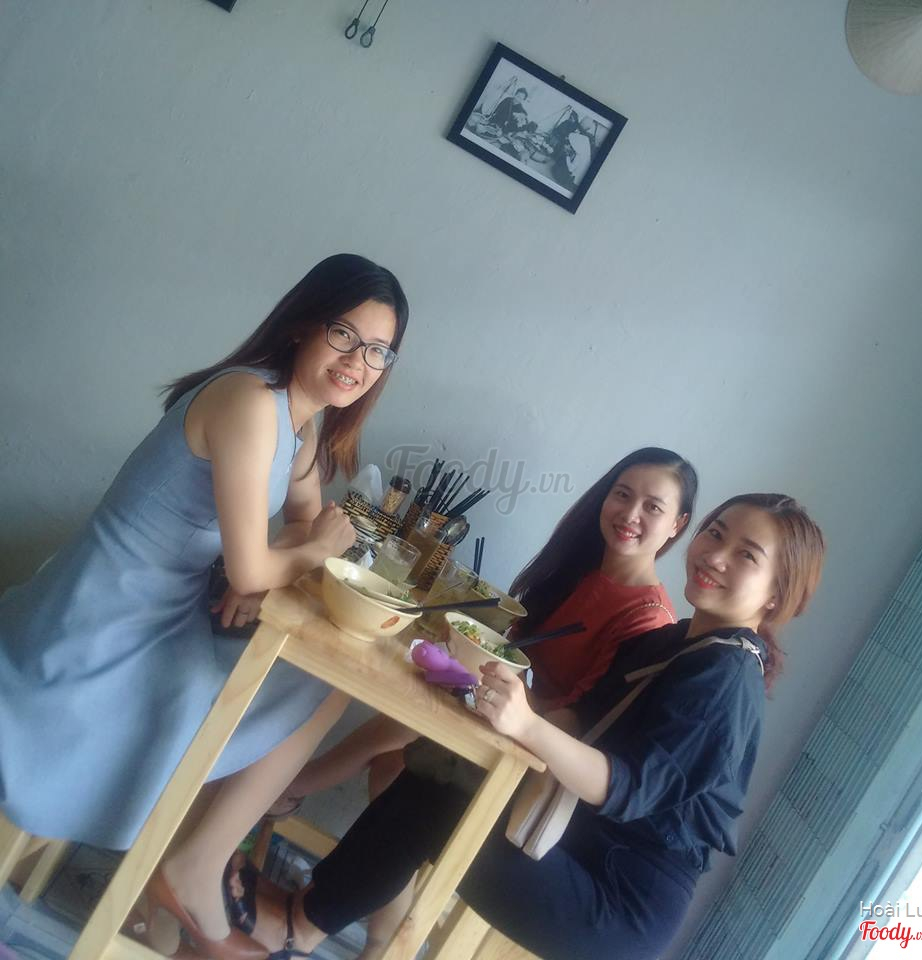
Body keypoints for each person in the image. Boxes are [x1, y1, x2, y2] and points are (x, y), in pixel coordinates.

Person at [0, 253, 409, 959]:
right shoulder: (249, 401)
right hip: (103, 617)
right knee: (302, 685)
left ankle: (197, 864)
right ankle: (190, 869)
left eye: (378, 350)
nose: (358, 361)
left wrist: (279, 567)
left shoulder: (302, 425)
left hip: (167, 610)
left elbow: (298, 527)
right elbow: (276, 554)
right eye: (344, 334)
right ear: (304, 324)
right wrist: (290, 561)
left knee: (319, 683)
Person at [233, 493, 825, 960]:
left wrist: (524, 724)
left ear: (777, 596)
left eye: (747, 555)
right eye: (717, 534)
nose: (716, 556)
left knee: (439, 804)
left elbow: (622, 786)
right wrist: (487, 691)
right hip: (574, 839)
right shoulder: (678, 641)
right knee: (436, 772)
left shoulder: (726, 678)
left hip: (613, 903)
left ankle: (298, 926)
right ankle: (306, 913)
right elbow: (579, 717)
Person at [258, 448, 697, 956]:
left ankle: (288, 802)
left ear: (677, 526)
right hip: (503, 715)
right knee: (394, 760)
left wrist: (495, 685)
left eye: (652, 506)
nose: (630, 513)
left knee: (411, 747)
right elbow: (519, 648)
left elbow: (579, 723)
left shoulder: (647, 619)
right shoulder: (583, 569)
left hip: (533, 758)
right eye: (622, 494)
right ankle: (375, 940)